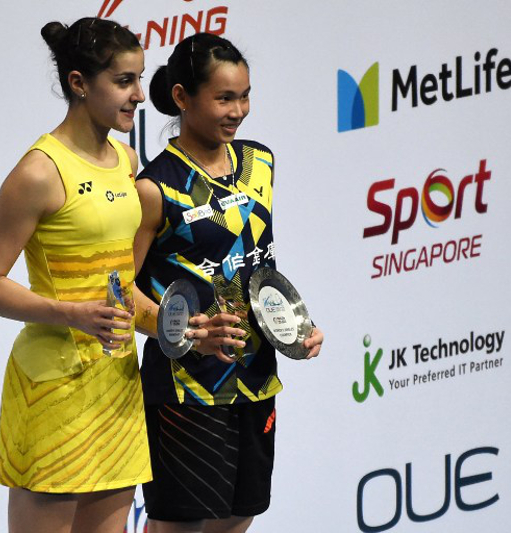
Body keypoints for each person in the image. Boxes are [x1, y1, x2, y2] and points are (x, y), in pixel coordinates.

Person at [0, 18, 150, 533]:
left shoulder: (126, 160)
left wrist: (181, 330)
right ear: (79, 83)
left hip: (117, 383)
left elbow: (122, 286)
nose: (138, 94)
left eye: (139, 79)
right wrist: (72, 313)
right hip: (52, 386)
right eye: (124, 81)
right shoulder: (39, 171)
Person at [131, 33, 325, 533]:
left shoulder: (261, 162)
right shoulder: (155, 188)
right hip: (187, 387)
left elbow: (253, 263)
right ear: (182, 97)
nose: (238, 111)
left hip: (257, 376)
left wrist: (292, 322)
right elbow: (119, 292)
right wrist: (189, 332)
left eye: (244, 96)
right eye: (223, 98)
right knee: (180, 526)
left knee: (241, 517)